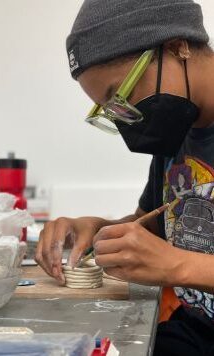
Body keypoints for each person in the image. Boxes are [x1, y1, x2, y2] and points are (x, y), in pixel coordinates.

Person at [35, 0, 214, 354]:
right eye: (111, 109)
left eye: (122, 95)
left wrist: (179, 265)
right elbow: (153, 225)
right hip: (196, 332)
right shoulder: (179, 129)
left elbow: (172, 258)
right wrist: (99, 229)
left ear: (177, 46)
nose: (126, 117)